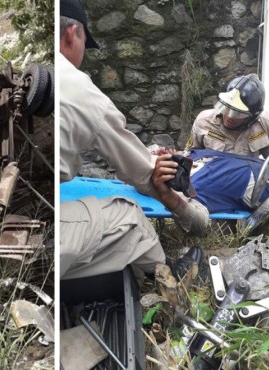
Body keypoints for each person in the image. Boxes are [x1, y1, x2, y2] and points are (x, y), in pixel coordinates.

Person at [59, 0, 209, 280]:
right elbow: (146, 175)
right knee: (129, 216)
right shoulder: (82, 91)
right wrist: (192, 215)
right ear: (72, 34)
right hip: (52, 238)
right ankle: (166, 279)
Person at [185, 74, 269, 158]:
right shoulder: (203, 121)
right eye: (225, 108)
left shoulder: (267, 124)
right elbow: (189, 154)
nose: (229, 117)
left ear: (252, 116)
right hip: (212, 176)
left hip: (248, 176)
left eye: (238, 114)